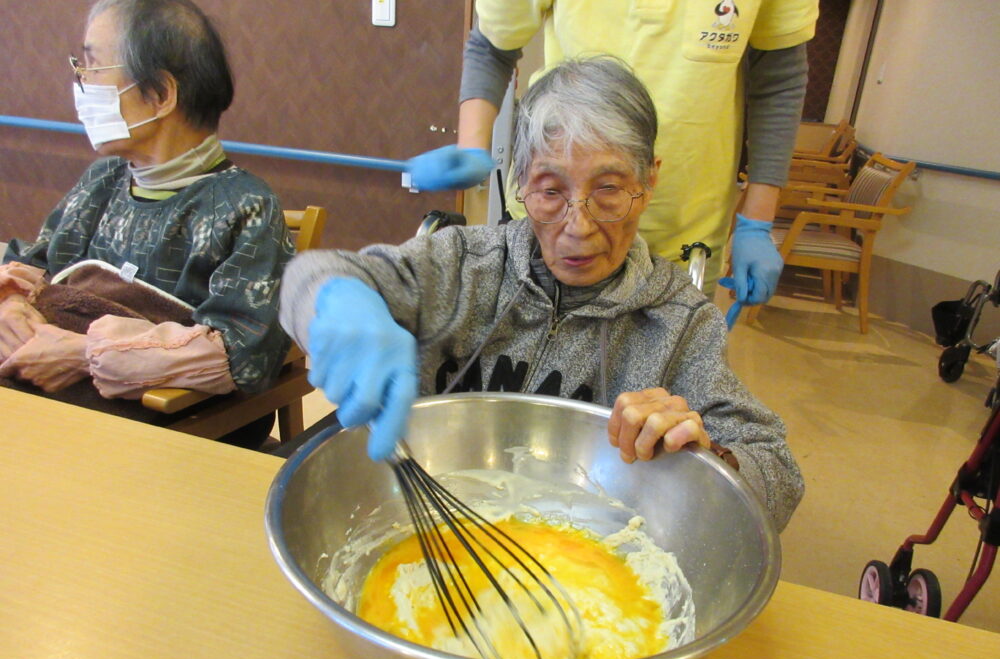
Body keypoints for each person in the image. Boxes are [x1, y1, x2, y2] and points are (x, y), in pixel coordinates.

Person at [279, 57, 803, 531]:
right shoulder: (462, 264)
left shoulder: (679, 321)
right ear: (520, 184)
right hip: (424, 525)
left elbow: (778, 473)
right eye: (551, 191)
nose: (578, 226)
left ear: (649, 181)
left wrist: (709, 458)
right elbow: (308, 277)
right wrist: (332, 301)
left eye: (608, 190)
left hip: (588, 549)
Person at [0, 0, 294, 443]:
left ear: (160, 94)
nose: (81, 83)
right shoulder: (102, 180)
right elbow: (34, 264)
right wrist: (12, 309)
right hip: (56, 406)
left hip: (164, 428)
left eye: (93, 66)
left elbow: (244, 354)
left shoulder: (245, 205)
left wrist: (81, 354)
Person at [417, 0, 817, 308]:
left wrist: (756, 223)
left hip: (684, 226)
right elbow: (493, 46)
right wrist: (472, 147)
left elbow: (778, 75)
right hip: (550, 224)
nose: (584, 229)